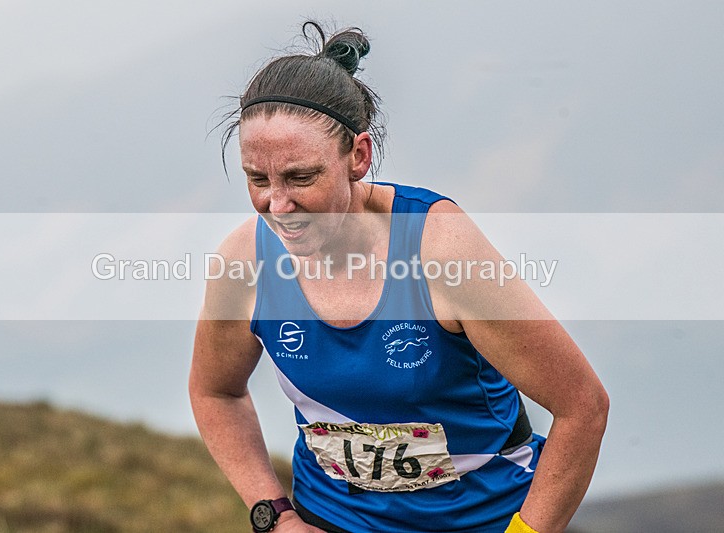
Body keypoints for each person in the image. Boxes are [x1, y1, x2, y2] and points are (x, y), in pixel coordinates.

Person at [189, 21, 608, 533]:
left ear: (358, 157)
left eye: (301, 177)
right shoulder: (244, 265)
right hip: (332, 519)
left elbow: (583, 408)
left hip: (486, 522)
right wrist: (275, 517)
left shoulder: (441, 251)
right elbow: (216, 393)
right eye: (258, 180)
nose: (278, 206)